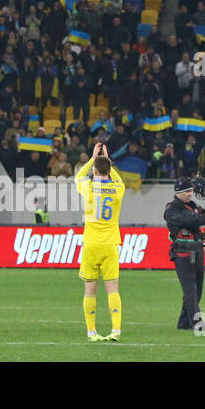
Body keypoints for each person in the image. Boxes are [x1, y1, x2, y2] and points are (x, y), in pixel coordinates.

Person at [76, 140, 125, 341]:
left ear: (94, 171)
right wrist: (107, 161)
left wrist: (93, 159)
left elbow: (78, 176)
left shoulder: (87, 187)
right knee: (112, 289)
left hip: (91, 245)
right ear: (109, 170)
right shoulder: (117, 190)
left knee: (90, 289)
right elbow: (119, 181)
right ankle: (116, 331)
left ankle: (91, 332)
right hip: (110, 244)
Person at [164, 176, 205, 336]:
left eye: (191, 190)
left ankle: (184, 322)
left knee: (197, 290)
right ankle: (198, 325)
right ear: (179, 192)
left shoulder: (192, 205)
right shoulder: (172, 209)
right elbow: (190, 220)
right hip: (183, 252)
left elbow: (200, 214)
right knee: (190, 289)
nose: (190, 194)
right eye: (187, 191)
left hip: (197, 250)